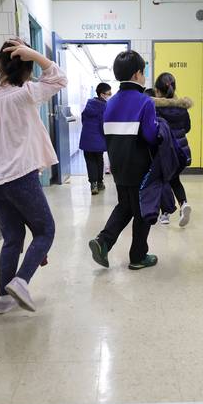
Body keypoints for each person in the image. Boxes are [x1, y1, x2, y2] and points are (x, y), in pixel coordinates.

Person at [0, 38, 67, 314]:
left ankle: (2, 298)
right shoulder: (24, 94)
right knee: (45, 230)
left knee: (12, 238)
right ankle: (21, 281)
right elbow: (59, 79)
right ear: (27, 70)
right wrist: (37, 56)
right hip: (21, 176)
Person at [88, 50, 159, 270]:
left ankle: (103, 241)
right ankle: (138, 256)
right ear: (138, 74)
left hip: (118, 166)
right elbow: (150, 135)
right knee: (142, 211)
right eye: (144, 72)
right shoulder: (145, 102)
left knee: (126, 205)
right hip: (140, 166)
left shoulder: (110, 103)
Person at [151, 72, 193, 227]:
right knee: (174, 179)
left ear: (157, 90)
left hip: (164, 151)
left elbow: (153, 130)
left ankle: (165, 214)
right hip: (182, 151)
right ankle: (183, 204)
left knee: (162, 180)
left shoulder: (155, 107)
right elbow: (187, 128)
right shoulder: (182, 107)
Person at [79, 82, 111, 195]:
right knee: (99, 160)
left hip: (86, 138)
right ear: (102, 94)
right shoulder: (105, 106)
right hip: (98, 138)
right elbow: (104, 125)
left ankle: (93, 185)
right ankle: (100, 183)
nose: (110, 95)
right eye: (109, 93)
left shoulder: (89, 104)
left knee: (90, 161)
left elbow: (83, 120)